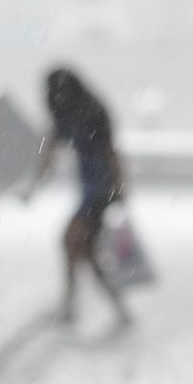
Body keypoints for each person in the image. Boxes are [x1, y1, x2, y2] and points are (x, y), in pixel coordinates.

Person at [27, 65, 132, 329]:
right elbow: (50, 150)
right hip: (91, 190)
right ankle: (112, 308)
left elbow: (110, 153)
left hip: (101, 191)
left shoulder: (92, 114)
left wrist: (118, 188)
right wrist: (34, 184)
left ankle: (72, 306)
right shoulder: (69, 115)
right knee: (84, 251)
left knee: (72, 242)